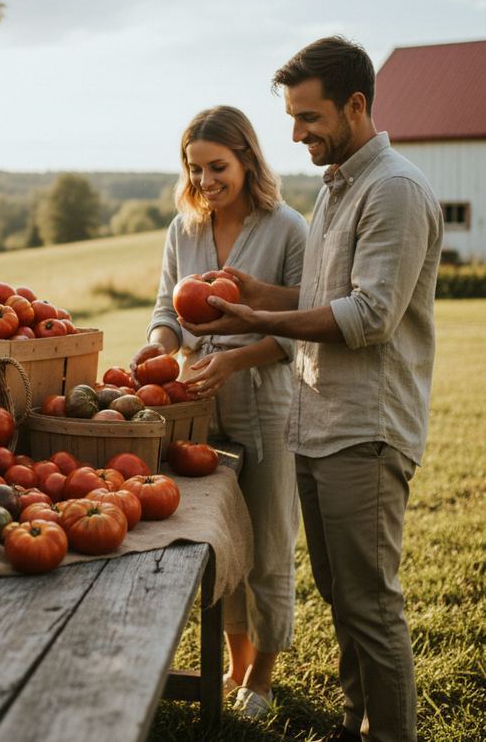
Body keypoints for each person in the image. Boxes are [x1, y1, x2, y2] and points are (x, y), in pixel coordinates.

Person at [183, 37, 444, 742]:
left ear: (355, 106)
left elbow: (368, 315)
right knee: (343, 597)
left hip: (367, 430)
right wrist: (252, 290)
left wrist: (260, 318)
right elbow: (319, 293)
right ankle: (357, 722)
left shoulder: (393, 190)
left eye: (308, 117)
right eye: (292, 119)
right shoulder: (339, 189)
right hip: (318, 423)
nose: (295, 134)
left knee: (370, 605)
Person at [131, 104, 308, 719]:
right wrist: (157, 353)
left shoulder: (288, 229)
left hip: (268, 405)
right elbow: (165, 313)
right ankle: (233, 661)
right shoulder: (183, 230)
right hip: (196, 408)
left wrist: (232, 362)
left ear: (248, 160)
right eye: (195, 168)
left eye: (217, 167)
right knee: (220, 543)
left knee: (267, 540)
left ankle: (260, 674)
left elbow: (294, 335)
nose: (206, 181)